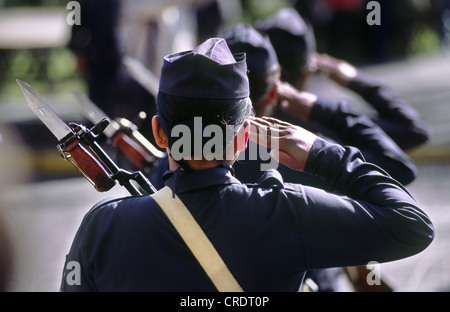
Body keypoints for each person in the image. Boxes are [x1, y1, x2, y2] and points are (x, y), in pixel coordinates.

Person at [60, 38, 434, 292]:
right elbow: (413, 226)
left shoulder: (102, 227)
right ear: (243, 138)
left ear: (159, 132)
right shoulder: (287, 213)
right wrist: (322, 152)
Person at [219, 23, 417, 188]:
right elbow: (400, 167)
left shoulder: (198, 154)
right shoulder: (307, 148)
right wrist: (330, 111)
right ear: (275, 91)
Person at [256, 7, 431, 152]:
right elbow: (414, 131)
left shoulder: (237, 130)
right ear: (308, 70)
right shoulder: (330, 121)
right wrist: (357, 80)